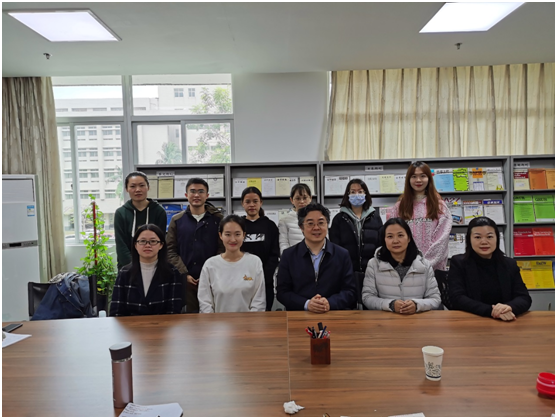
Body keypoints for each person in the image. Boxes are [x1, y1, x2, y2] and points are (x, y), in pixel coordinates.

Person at [276, 203, 357, 312]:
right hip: (299, 315)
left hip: (333, 314)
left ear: (327, 224)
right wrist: (307, 304)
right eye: (310, 223)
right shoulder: (288, 255)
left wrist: (330, 303)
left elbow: (350, 291)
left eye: (321, 223)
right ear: (301, 227)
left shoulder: (342, 255)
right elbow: (282, 292)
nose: (316, 228)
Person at [448, 217, 532, 321]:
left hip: (505, 321)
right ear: (469, 239)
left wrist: (509, 307)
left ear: (497, 238)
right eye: (478, 237)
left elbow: (524, 297)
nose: (484, 242)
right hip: (472, 321)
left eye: (489, 237)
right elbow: (457, 298)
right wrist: (491, 311)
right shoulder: (459, 263)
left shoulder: (510, 264)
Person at [167, 177, 224, 313]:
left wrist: (210, 272)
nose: (197, 195)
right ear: (186, 195)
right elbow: (170, 250)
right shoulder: (177, 220)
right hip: (186, 281)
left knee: (214, 317)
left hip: (214, 279)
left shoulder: (218, 220)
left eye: (201, 191)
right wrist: (184, 274)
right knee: (190, 319)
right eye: (192, 191)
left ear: (207, 195)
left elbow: (222, 249)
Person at [362, 218, 441, 313]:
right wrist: (390, 305)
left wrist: (417, 305)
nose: (395, 241)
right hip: (386, 319)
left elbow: (435, 299)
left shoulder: (425, 265)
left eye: (400, 235)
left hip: (417, 319)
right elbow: (367, 298)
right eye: (390, 236)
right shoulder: (374, 264)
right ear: (384, 240)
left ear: (409, 238)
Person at [387, 161, 452, 271]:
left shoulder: (439, 206)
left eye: (422, 176)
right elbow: (393, 236)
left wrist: (426, 263)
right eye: (414, 176)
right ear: (408, 180)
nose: (418, 180)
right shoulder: (399, 207)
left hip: (433, 269)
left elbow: (443, 238)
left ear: (429, 179)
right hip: (406, 268)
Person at [110, 224, 182, 316]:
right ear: (135, 245)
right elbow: (116, 312)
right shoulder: (124, 273)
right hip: (130, 324)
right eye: (142, 241)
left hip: (163, 324)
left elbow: (173, 311)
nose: (147, 245)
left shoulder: (172, 272)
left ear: (161, 245)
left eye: (153, 241)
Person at [198, 215, 266, 313]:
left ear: (244, 235)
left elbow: (259, 301)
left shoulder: (255, 262)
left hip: (249, 322)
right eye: (228, 234)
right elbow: (205, 302)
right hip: (217, 322)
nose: (233, 239)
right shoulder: (210, 264)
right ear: (220, 235)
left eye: (237, 234)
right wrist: (212, 322)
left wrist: (251, 321)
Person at [114, 171, 167, 270]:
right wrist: (133, 267)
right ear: (126, 189)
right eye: (132, 186)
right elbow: (121, 245)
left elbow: (160, 242)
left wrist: (149, 266)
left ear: (148, 187)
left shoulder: (159, 211)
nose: (138, 190)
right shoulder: (121, 213)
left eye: (142, 185)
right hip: (127, 268)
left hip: (153, 267)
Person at [329, 178, 383, 274]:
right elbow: (335, 247)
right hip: (346, 270)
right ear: (348, 194)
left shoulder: (375, 217)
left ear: (365, 194)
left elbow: (380, 244)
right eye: (353, 192)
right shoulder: (339, 219)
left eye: (360, 191)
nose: (357, 195)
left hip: (372, 270)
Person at [239, 187, 280, 311]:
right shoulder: (238, 225)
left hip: (265, 281)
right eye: (247, 201)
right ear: (242, 204)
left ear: (261, 202)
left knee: (263, 316)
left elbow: (274, 254)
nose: (251, 205)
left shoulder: (270, 226)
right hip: (241, 280)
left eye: (255, 201)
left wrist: (263, 275)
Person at [278, 183, 312, 254]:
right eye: (298, 198)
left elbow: (324, 241)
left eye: (305, 198)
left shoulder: (317, 219)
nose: (301, 201)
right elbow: (283, 244)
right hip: (294, 258)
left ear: (310, 198)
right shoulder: (284, 221)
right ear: (291, 200)